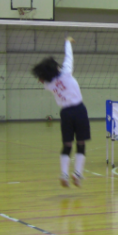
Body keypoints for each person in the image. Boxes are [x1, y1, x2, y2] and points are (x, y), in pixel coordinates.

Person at [32, 37, 90, 188]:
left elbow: (44, 79)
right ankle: (77, 174)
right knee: (81, 143)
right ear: (55, 68)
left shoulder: (49, 85)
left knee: (67, 144)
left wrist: (42, 76)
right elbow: (69, 57)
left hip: (65, 114)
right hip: (79, 110)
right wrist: (67, 42)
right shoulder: (66, 73)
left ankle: (64, 174)